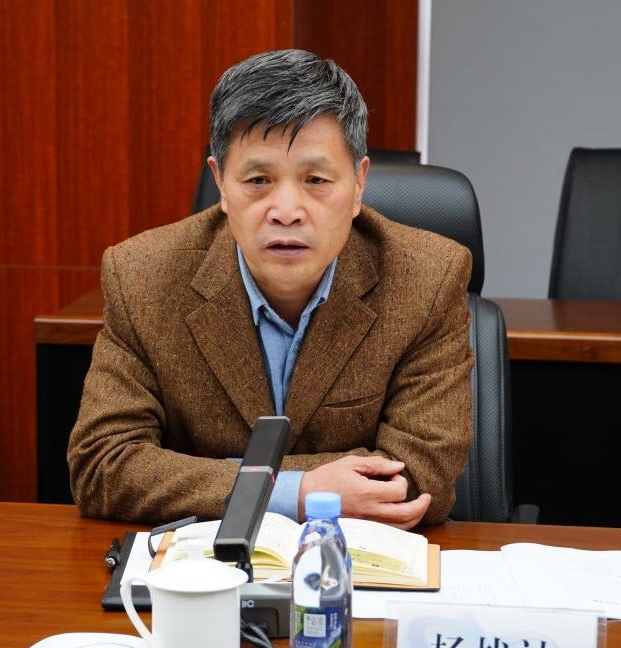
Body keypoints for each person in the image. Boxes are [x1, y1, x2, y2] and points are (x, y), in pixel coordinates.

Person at [68, 49, 473, 529]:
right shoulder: (143, 276)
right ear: (221, 183)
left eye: (316, 180)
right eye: (259, 180)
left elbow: (423, 472)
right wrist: (295, 492)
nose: (286, 211)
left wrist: (213, 477)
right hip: (201, 565)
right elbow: (103, 464)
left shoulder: (427, 278)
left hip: (356, 562)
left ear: (359, 183)